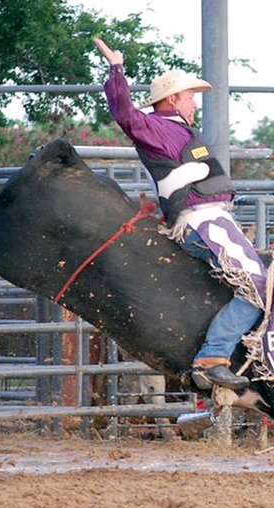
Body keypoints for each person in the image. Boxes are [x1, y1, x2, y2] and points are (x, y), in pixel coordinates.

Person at [94, 37, 259, 390]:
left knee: (257, 286)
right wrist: (117, 69)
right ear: (171, 99)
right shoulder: (157, 127)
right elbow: (125, 114)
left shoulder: (178, 130)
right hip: (202, 224)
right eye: (189, 96)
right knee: (256, 288)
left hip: (211, 221)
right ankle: (213, 358)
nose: (194, 103)